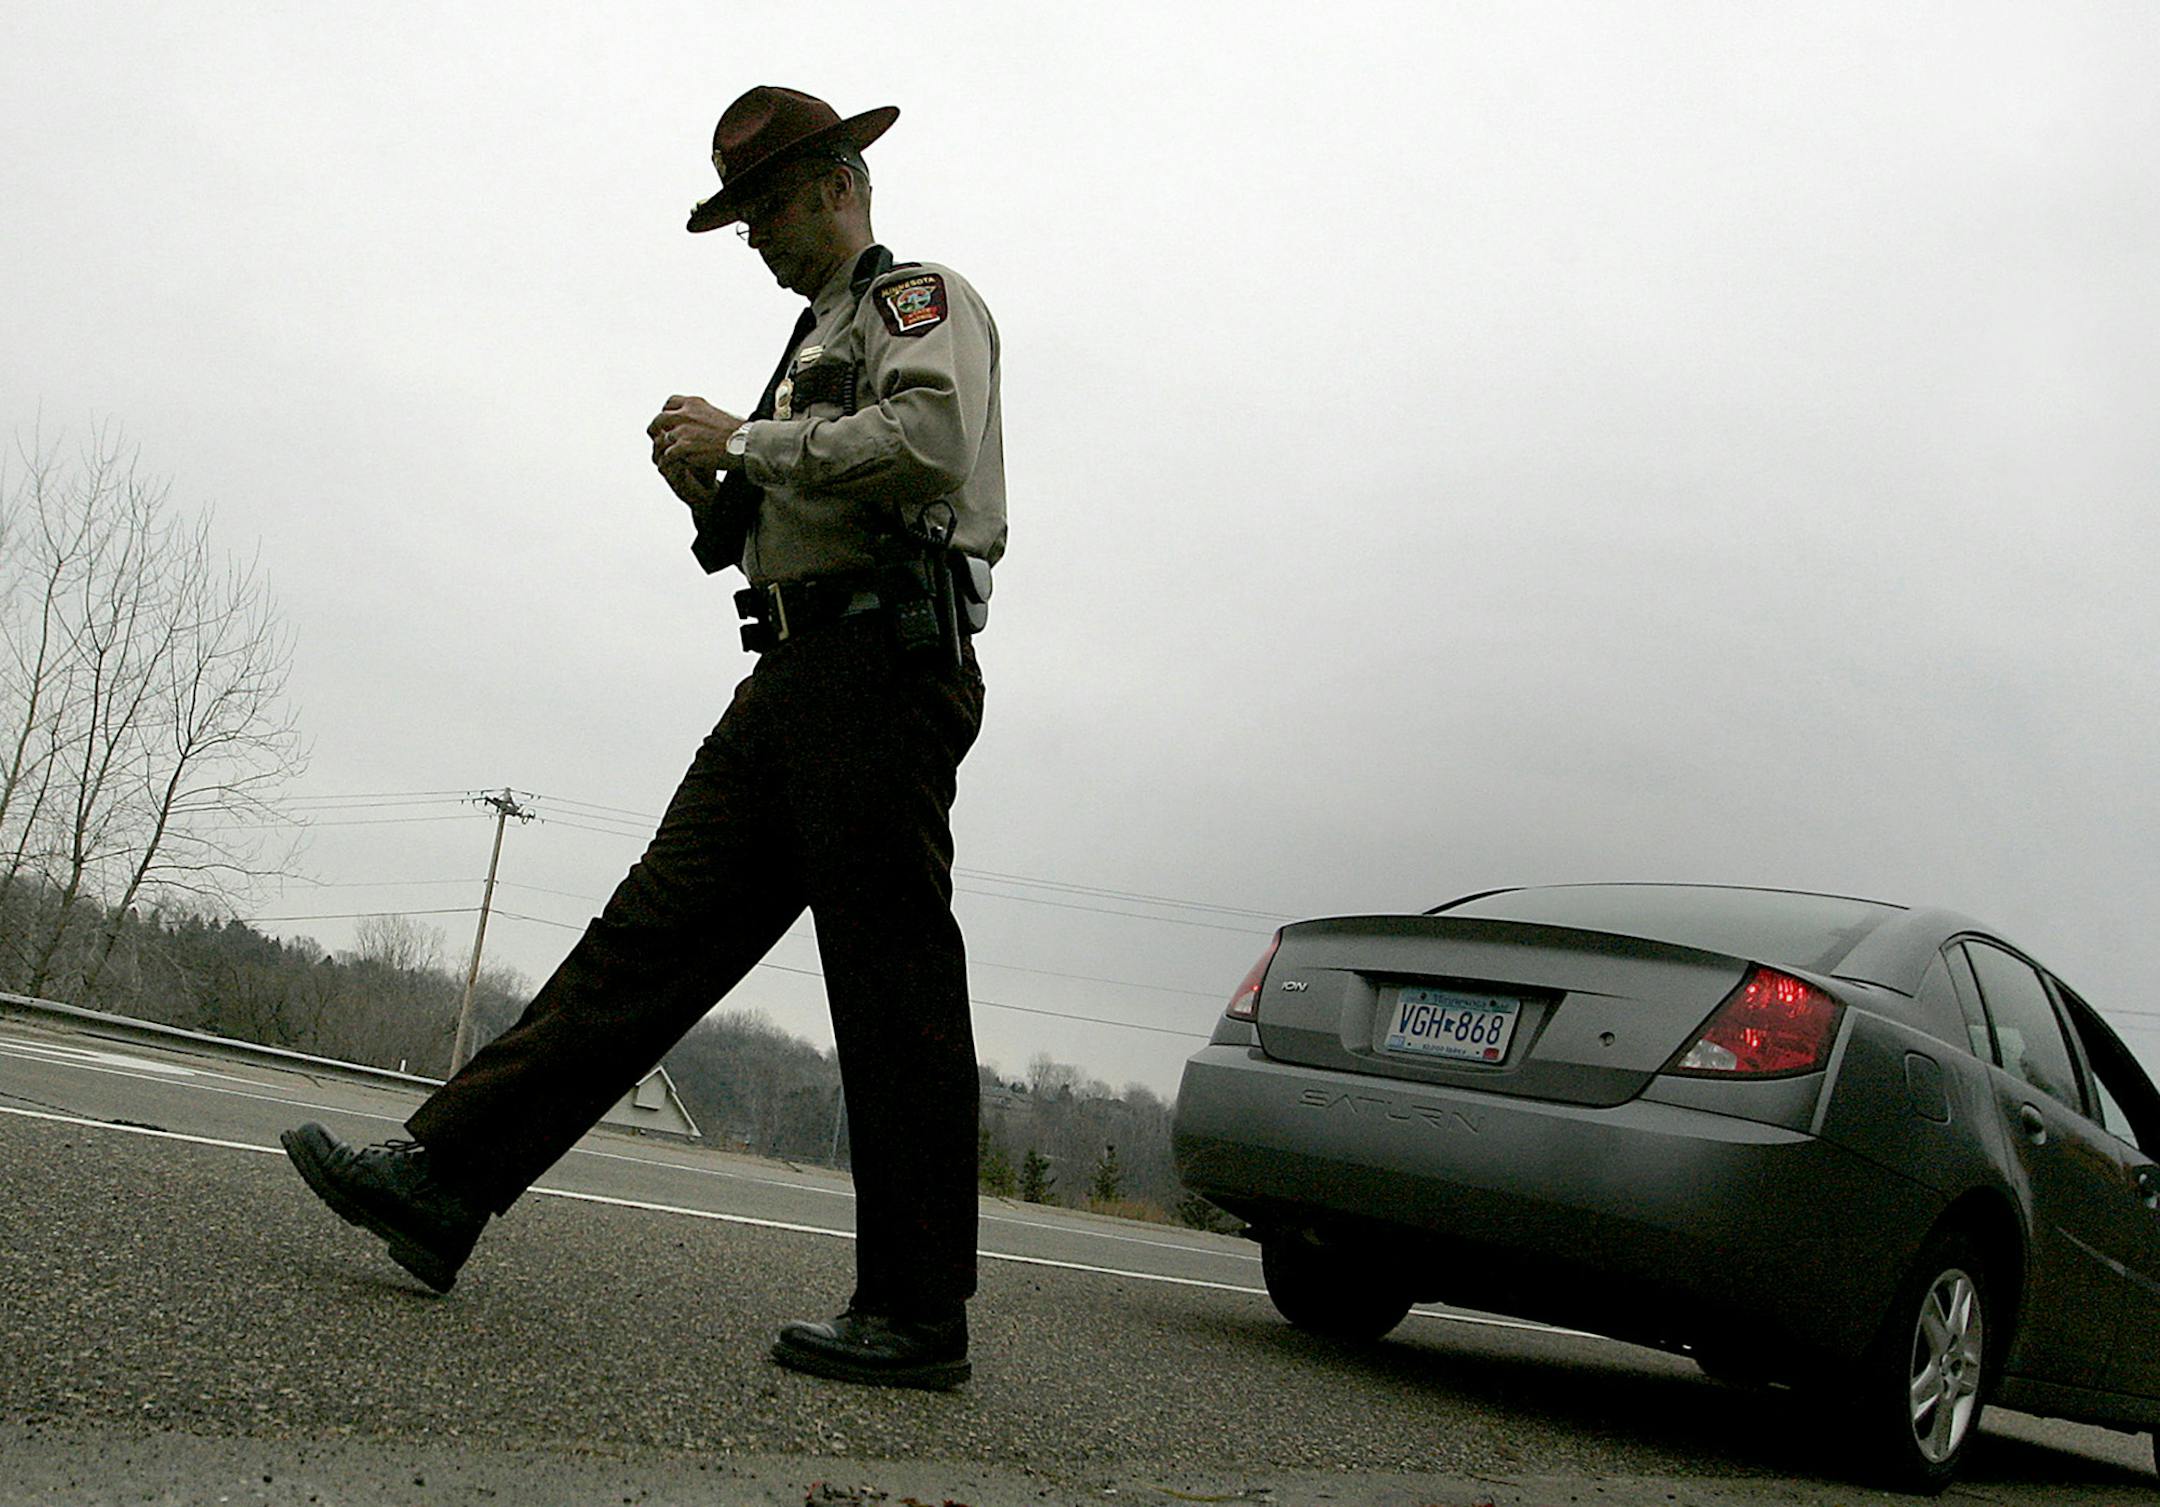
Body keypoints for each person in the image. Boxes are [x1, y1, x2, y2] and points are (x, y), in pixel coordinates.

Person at [280, 85, 1005, 1392]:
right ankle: (445, 1184)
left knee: (891, 986)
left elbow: (929, 442)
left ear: (841, 185)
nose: (758, 241)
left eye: (769, 207)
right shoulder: (805, 343)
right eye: (742, 221)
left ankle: (915, 1313)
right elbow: (771, 514)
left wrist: (749, 440)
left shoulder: (919, 301)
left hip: (881, 673)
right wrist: (714, 488)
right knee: (644, 941)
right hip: (792, 674)